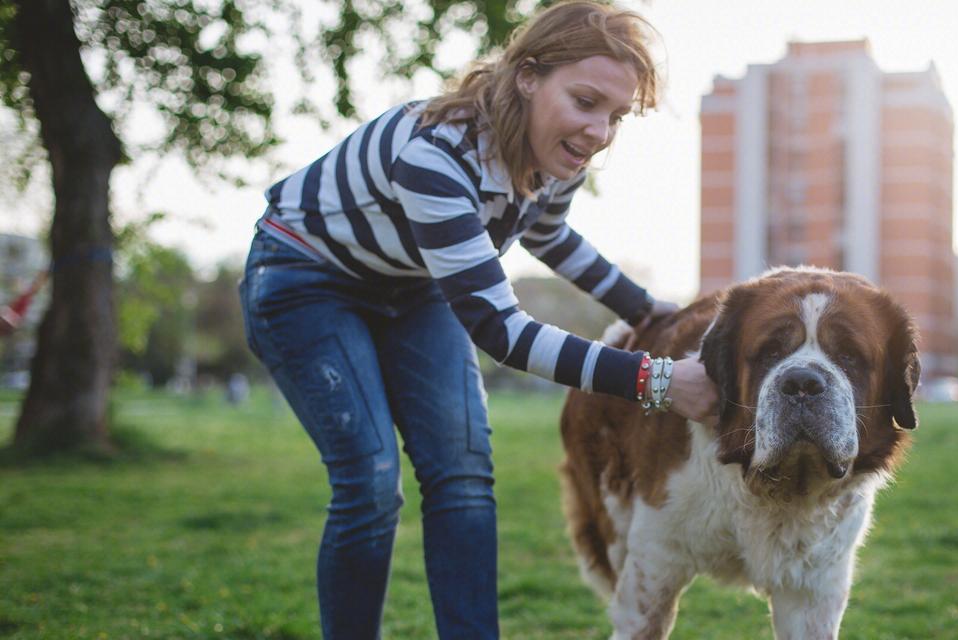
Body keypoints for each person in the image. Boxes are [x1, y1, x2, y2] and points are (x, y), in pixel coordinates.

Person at [238, 2, 718, 638]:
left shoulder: (556, 155)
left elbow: (549, 236)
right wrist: (658, 379)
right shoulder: (435, 157)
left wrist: (644, 309)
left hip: (411, 287)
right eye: (585, 101)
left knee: (464, 477)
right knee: (372, 482)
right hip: (305, 279)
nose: (599, 132)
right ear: (526, 77)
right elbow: (502, 332)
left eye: (615, 115)